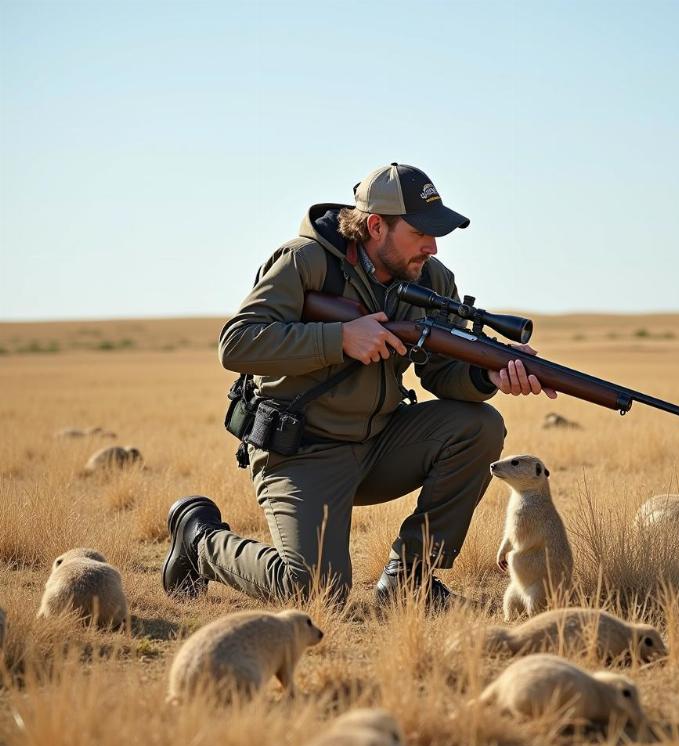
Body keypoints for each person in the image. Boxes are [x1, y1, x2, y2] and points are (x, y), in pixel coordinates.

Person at [162, 163, 555, 608]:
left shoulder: (431, 278)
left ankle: (409, 579)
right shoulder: (305, 261)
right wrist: (340, 339)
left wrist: (487, 375)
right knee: (314, 592)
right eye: (420, 232)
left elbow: (442, 374)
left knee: (479, 425)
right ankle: (198, 540)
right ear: (375, 226)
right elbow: (236, 344)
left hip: (380, 443)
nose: (432, 245)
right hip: (303, 451)